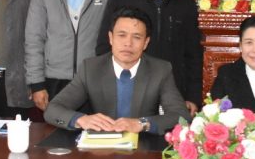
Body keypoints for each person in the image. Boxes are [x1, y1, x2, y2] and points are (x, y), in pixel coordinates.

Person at [96, 0, 202, 115]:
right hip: (130, 91)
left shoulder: (186, 3)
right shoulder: (120, 0)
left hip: (174, 92)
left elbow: (194, 55)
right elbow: (104, 48)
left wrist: (193, 96)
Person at [45, 8, 188, 135]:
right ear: (110, 38)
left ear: (146, 43)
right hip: (101, 148)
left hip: (143, 147)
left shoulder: (160, 70)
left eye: (137, 37)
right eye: (121, 35)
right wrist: (80, 119)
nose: (128, 43)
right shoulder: (91, 68)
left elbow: (182, 116)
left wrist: (142, 124)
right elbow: (52, 110)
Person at [25, 0, 118, 111]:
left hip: (95, 78)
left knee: (94, 128)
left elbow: (115, 37)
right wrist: (36, 84)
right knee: (54, 128)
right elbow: (34, 38)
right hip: (54, 78)